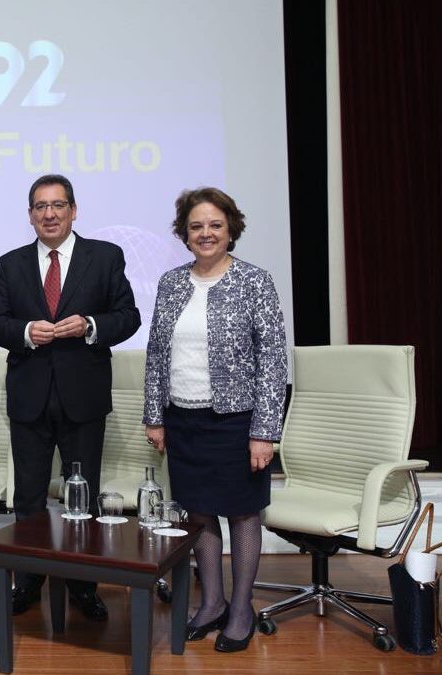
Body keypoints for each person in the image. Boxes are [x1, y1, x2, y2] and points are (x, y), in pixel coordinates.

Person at [0, 174, 141, 620]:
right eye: (39, 207)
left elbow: (127, 316)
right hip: (30, 398)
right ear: (30, 214)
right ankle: (28, 579)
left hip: (83, 398)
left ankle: (82, 584)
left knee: (82, 496)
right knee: (30, 500)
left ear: (74, 210)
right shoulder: (10, 263)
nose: (49, 214)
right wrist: (26, 332)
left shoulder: (105, 257)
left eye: (57, 205)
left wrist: (91, 325)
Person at [143, 187, 287, 652]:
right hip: (182, 418)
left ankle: (241, 609)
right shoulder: (170, 283)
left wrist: (265, 431)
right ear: (185, 234)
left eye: (215, 225)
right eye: (196, 226)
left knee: (243, 514)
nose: (205, 234)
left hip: (237, 421)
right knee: (198, 512)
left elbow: (273, 361)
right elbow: (156, 354)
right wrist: (155, 416)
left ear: (231, 230)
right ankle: (212, 604)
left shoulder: (254, 281)